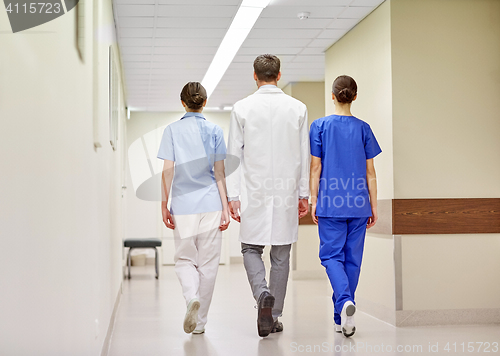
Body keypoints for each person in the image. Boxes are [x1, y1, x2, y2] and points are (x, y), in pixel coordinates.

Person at [226, 54, 310, 337]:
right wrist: (304, 194)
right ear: (279, 74)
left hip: (253, 191)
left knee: (250, 248)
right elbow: (303, 155)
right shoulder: (298, 108)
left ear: (254, 75)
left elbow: (233, 156)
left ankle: (262, 294)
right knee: (281, 255)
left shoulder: (241, 108)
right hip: (285, 191)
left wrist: (233, 195)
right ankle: (273, 316)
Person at [309, 75, 382, 338]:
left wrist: (313, 199)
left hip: (331, 203)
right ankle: (342, 317)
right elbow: (370, 173)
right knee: (352, 260)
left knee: (330, 257)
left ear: (332, 95)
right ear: (355, 96)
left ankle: (343, 304)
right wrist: (374, 206)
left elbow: (316, 167)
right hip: (359, 204)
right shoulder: (364, 128)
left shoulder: (319, 126)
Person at [157, 82, 230, 335]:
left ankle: (191, 298)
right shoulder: (215, 131)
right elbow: (220, 172)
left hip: (183, 204)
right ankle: (200, 324)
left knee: (185, 258)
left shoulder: (172, 130)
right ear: (205, 103)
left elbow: (168, 170)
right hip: (211, 203)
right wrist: (225, 207)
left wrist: (164, 204)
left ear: (182, 103)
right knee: (208, 264)